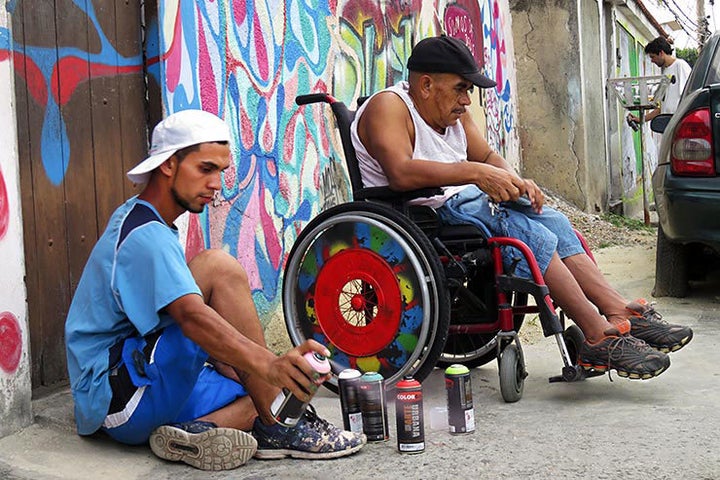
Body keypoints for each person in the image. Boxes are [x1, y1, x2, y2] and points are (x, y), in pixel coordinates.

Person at [350, 35, 693, 380]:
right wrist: (476, 173)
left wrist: (515, 183)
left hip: (466, 202)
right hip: (423, 212)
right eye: (460, 88)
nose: (466, 100)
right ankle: (594, 334)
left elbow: (484, 155)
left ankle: (617, 310)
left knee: (552, 220)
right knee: (528, 235)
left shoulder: (454, 113)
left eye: (468, 90)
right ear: (426, 85)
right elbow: (400, 172)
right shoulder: (389, 108)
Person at [64, 109, 365, 471]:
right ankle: (279, 427)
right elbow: (190, 318)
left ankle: (192, 432)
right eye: (205, 169)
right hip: (117, 396)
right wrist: (268, 365)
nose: (216, 184)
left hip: (135, 385)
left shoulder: (148, 221)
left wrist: (254, 371)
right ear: (168, 165)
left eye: (221, 171)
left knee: (257, 393)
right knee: (217, 268)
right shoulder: (145, 235)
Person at [628, 36, 692, 125]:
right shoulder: (665, 72)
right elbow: (661, 107)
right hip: (668, 125)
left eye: (653, 57)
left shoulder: (680, 66)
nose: (652, 61)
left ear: (661, 53)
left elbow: (690, 96)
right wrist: (641, 119)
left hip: (680, 123)